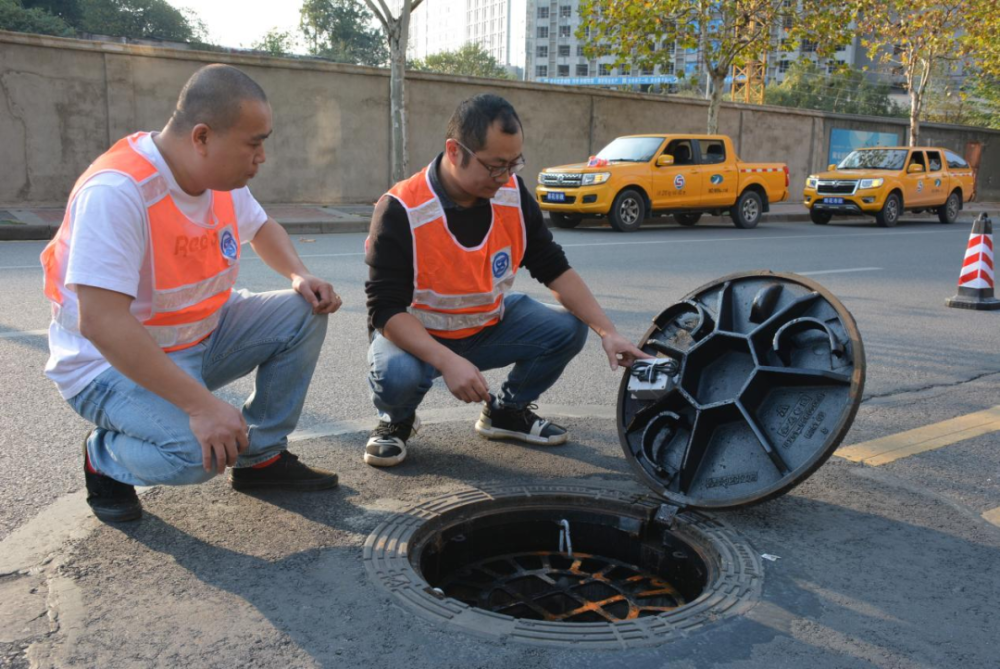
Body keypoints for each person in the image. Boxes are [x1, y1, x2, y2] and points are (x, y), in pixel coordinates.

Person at [40, 64, 341, 523]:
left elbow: (260, 227)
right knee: (197, 453)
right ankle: (104, 457)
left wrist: (299, 275)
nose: (261, 157)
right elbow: (101, 322)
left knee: (303, 312)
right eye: (254, 143)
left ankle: (260, 458)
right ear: (201, 137)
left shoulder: (217, 179)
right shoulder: (118, 191)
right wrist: (202, 407)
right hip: (109, 365)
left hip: (197, 337)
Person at [363, 93, 645, 467]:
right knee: (396, 373)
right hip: (417, 338)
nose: (505, 177)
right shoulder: (402, 208)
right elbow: (384, 310)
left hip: (486, 326)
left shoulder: (512, 195)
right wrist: (447, 361)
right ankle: (395, 421)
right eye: (495, 166)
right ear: (454, 151)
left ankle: (506, 412)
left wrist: (608, 331)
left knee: (568, 327)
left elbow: (553, 266)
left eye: (513, 164)